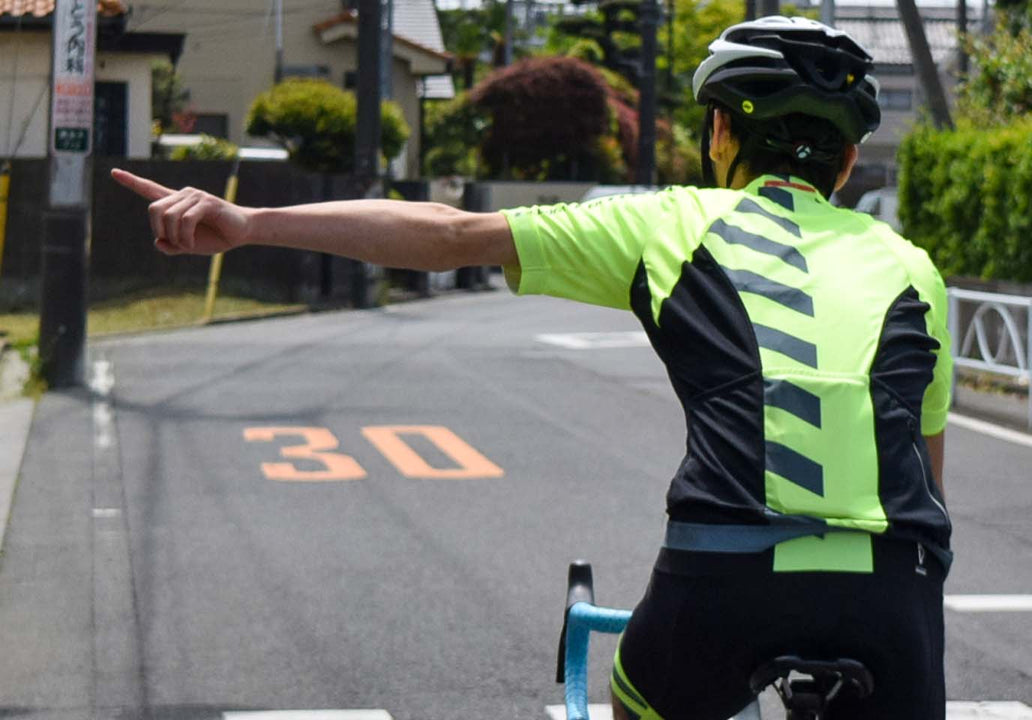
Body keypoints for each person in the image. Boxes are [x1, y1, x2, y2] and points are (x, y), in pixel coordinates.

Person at [114, 15, 952, 720]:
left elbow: (448, 234)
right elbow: (929, 478)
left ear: (720, 134)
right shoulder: (915, 270)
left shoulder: (672, 224)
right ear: (848, 161)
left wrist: (250, 221)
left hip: (728, 568)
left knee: (641, 699)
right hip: (895, 589)